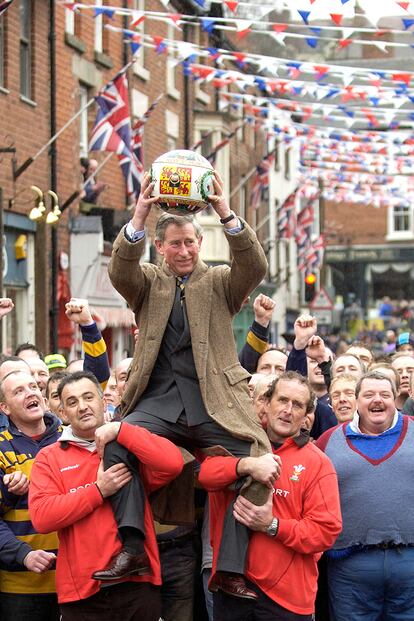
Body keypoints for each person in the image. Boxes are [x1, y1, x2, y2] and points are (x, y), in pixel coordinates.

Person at [105, 171, 271, 598]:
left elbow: (254, 266)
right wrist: (141, 212)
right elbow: (120, 269)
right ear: (159, 247)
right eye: (174, 243)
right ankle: (134, 547)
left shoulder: (219, 282)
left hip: (214, 403)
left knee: (257, 459)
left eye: (190, 242)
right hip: (156, 404)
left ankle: (230, 569)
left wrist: (224, 210)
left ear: (201, 244)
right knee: (117, 444)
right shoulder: (147, 282)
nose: (183, 250)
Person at [29, 370, 184, 621]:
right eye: (72, 402)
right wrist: (98, 490)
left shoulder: (129, 444)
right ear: (62, 413)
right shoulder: (49, 457)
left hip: (137, 581)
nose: (82, 407)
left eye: (88, 397)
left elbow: (173, 464)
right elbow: (43, 517)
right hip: (82, 589)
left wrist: (122, 431)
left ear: (104, 401)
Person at [199, 371, 342, 621]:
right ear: (266, 402)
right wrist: (245, 465)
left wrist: (272, 525)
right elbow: (205, 475)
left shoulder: (318, 463)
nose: (288, 409)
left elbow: (326, 531)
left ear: (308, 415)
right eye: (282, 400)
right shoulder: (240, 444)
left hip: (288, 598)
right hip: (231, 589)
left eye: (297, 405)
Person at [316, 371, 414, 621]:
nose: (377, 400)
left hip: (409, 563)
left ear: (396, 399)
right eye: (368, 395)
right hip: (349, 566)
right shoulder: (329, 440)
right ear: (357, 401)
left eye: (385, 394)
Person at [0, 370, 61, 621]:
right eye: (19, 391)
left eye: (34, 386)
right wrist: (22, 554)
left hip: (76, 582)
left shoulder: (70, 438)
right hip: (21, 589)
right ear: (4, 408)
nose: (31, 392)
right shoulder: (1, 448)